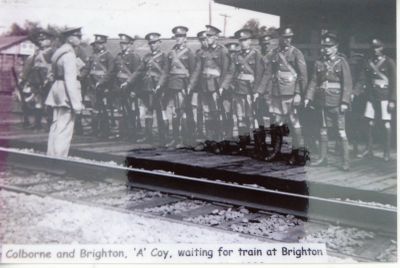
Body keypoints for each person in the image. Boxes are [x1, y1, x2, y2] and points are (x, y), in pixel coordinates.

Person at [305, 33, 353, 170]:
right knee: (323, 130)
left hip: (337, 102)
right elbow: (314, 81)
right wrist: (308, 97)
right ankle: (323, 158)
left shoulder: (341, 62)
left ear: (336, 47)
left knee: (341, 131)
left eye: (329, 46)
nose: (326, 49)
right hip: (322, 102)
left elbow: (347, 84)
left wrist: (345, 102)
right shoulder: (319, 62)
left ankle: (346, 161)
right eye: (324, 46)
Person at [188, 25, 232, 141]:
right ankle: (210, 139)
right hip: (204, 86)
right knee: (207, 112)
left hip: (216, 86)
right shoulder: (203, 52)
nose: (207, 38)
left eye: (210, 36)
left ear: (216, 37)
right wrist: (191, 85)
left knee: (216, 112)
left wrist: (222, 87)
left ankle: (219, 139)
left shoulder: (222, 51)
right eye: (206, 36)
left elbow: (226, 71)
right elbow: (198, 70)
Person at [270, 27, 307, 161]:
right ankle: (276, 151)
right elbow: (271, 72)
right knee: (277, 121)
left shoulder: (297, 53)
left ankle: (295, 153)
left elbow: (302, 76)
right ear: (280, 38)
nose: (287, 40)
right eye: (285, 37)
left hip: (291, 92)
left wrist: (298, 93)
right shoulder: (274, 53)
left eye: (290, 37)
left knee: (294, 121)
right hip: (277, 92)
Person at [45, 27, 84, 157]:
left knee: (56, 124)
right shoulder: (69, 55)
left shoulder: (59, 53)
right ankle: (60, 157)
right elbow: (70, 81)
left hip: (57, 89)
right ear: (70, 38)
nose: (80, 39)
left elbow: (51, 74)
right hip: (66, 92)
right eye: (78, 36)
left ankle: (51, 154)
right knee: (65, 126)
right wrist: (77, 104)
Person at [122, 32, 167, 145]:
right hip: (147, 87)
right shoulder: (147, 57)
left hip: (158, 87)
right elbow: (139, 71)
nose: (152, 45)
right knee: (148, 111)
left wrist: (160, 85)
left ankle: (163, 137)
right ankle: (148, 136)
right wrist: (128, 81)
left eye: (155, 43)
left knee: (160, 112)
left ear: (159, 43)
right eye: (150, 43)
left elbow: (165, 73)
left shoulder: (164, 56)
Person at [355, 38, 396, 161]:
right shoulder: (368, 62)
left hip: (385, 96)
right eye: (373, 48)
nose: (375, 50)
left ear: (382, 48)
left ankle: (386, 152)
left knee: (386, 123)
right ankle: (369, 149)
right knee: (369, 122)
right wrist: (354, 92)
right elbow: (362, 79)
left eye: (377, 47)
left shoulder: (389, 62)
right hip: (372, 96)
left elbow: (395, 82)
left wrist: (393, 100)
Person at [164, 26, 196, 147]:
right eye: (177, 36)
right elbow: (166, 71)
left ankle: (184, 139)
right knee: (174, 113)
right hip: (171, 85)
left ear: (185, 38)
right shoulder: (171, 53)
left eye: (181, 36)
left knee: (182, 113)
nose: (178, 39)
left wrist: (189, 88)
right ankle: (176, 138)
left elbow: (193, 72)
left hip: (183, 86)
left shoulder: (189, 53)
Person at [19, 29, 55, 130]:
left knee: (49, 102)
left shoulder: (53, 52)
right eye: (40, 40)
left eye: (43, 39)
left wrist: (49, 77)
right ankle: (37, 123)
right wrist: (24, 78)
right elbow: (30, 66)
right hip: (36, 80)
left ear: (50, 40)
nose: (41, 41)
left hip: (48, 80)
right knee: (37, 101)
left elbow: (55, 66)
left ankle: (50, 124)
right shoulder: (37, 52)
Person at [231, 29, 264, 137]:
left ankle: (256, 143)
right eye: (241, 41)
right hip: (239, 89)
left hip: (250, 90)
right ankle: (243, 143)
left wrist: (256, 91)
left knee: (251, 116)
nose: (242, 43)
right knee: (240, 116)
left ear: (250, 41)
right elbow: (232, 72)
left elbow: (259, 75)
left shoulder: (256, 55)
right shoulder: (236, 55)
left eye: (245, 40)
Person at [113, 33, 141, 140]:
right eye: (121, 43)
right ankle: (123, 133)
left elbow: (137, 75)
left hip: (130, 88)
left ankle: (132, 133)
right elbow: (115, 73)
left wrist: (135, 91)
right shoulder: (119, 57)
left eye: (125, 43)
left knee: (131, 111)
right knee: (122, 111)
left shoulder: (134, 57)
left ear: (130, 44)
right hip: (120, 88)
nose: (122, 45)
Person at [86, 34, 115, 138]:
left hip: (103, 86)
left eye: (101, 43)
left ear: (105, 44)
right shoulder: (93, 56)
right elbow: (88, 69)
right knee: (95, 108)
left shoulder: (108, 56)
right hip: (92, 85)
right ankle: (94, 129)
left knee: (103, 109)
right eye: (97, 43)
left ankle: (105, 130)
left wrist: (102, 82)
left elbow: (111, 72)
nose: (99, 45)